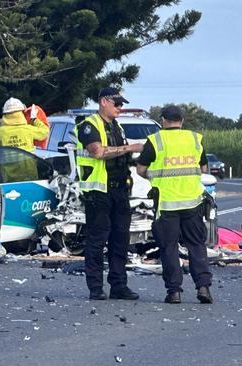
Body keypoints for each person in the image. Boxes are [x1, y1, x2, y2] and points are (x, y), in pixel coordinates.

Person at [136, 106, 213, 304]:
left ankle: (174, 291)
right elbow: (203, 168)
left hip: (167, 205)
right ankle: (203, 287)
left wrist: (155, 176)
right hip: (193, 203)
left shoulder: (155, 140)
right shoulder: (194, 139)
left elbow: (141, 169)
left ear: (163, 120)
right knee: (196, 246)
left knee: (169, 248)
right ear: (182, 120)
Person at [76, 87, 143, 300]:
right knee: (97, 241)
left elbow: (120, 155)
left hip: (120, 189)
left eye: (122, 105)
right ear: (104, 101)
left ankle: (118, 285)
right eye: (117, 104)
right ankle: (95, 287)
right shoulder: (89, 126)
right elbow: (97, 152)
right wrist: (130, 148)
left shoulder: (117, 127)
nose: (120, 108)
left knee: (120, 240)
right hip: (98, 192)